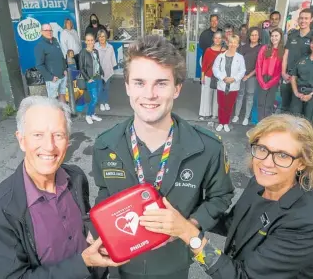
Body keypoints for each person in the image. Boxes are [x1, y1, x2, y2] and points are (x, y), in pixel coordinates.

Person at [90, 35, 234, 279]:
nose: (149, 94)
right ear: (126, 86)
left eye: (161, 83)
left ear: (177, 88)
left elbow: (220, 196)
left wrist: (189, 225)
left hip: (173, 265)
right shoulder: (105, 144)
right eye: (139, 82)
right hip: (122, 265)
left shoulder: (207, 147)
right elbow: (104, 191)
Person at [140, 114, 313, 279]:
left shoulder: (307, 222)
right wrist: (189, 213)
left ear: (303, 163)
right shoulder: (260, 182)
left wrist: (188, 233)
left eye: (282, 155)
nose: (266, 163)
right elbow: (235, 223)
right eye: (262, 149)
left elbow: (243, 276)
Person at [0, 96, 126, 279]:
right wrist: (83, 263)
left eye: (58, 135)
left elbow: (84, 226)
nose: (49, 146)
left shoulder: (76, 177)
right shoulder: (0, 210)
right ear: (21, 140)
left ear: (68, 140)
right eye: (38, 135)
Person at [281, 8, 313, 113]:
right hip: (289, 76)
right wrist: (283, 73)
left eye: (306, 18)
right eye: (301, 18)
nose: (303, 21)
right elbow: (286, 55)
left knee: (299, 110)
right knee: (285, 106)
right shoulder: (292, 35)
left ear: (311, 20)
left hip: (304, 80)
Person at [213, 34, 246, 132]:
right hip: (222, 85)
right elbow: (215, 68)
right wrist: (223, 77)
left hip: (233, 86)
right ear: (227, 43)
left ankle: (226, 123)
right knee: (221, 105)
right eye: (231, 42)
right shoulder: (221, 56)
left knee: (229, 106)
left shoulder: (240, 58)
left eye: (235, 42)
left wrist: (234, 79)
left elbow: (242, 71)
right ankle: (221, 122)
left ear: (238, 45)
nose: (232, 44)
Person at [232, 27, 261, 126]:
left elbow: (259, 65)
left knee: (250, 96)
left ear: (259, 36)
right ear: (249, 36)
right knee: (240, 94)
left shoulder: (261, 48)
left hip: (252, 76)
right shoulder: (243, 47)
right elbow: (238, 62)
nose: (254, 37)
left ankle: (246, 117)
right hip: (241, 75)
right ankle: (236, 115)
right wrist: (241, 74)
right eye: (252, 35)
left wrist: (248, 76)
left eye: (256, 35)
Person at [256, 28, 285, 121]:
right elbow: (259, 64)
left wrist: (269, 84)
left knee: (269, 103)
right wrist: (261, 81)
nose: (274, 38)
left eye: (276, 36)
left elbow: (280, 70)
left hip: (274, 80)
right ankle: (260, 124)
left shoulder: (283, 51)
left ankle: (266, 124)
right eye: (272, 36)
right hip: (263, 78)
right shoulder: (265, 48)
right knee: (261, 103)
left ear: (281, 37)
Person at [34, 24, 67, 103]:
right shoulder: (40, 46)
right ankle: (54, 115)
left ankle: (64, 114)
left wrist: (65, 69)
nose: (49, 32)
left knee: (62, 95)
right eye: (46, 30)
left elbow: (61, 57)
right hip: (53, 80)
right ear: (42, 32)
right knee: (52, 101)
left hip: (62, 76)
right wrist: (50, 77)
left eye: (50, 30)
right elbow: (39, 65)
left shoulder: (55, 42)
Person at [79, 32, 104, 125]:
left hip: (98, 77)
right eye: (88, 40)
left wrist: (101, 72)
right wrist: (88, 78)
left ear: (94, 41)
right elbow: (81, 68)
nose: (90, 42)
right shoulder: (83, 52)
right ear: (85, 41)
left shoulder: (96, 51)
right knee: (94, 98)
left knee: (97, 97)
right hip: (90, 79)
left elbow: (97, 63)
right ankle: (88, 115)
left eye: (92, 40)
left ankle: (93, 114)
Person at [199, 31, 222, 123]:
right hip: (208, 75)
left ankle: (215, 114)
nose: (217, 40)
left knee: (217, 96)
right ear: (213, 39)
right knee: (206, 95)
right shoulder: (208, 50)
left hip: (219, 77)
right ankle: (204, 113)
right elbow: (204, 65)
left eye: (219, 38)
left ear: (222, 39)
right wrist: (202, 76)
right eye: (216, 38)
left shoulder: (224, 51)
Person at [95, 29, 117, 112]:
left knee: (106, 88)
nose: (101, 38)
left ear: (106, 37)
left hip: (107, 70)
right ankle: (101, 103)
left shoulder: (110, 47)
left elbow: (113, 58)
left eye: (103, 36)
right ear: (98, 37)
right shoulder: (95, 46)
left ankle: (106, 102)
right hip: (98, 71)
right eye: (100, 36)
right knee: (100, 88)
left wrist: (113, 67)